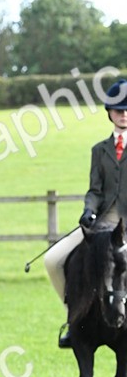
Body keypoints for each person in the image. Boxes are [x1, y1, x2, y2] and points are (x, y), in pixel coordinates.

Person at [45, 76, 127, 346]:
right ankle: (73, 319)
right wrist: (88, 211)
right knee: (54, 260)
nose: (123, 115)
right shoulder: (99, 150)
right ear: (109, 113)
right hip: (101, 226)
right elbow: (94, 190)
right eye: (119, 110)